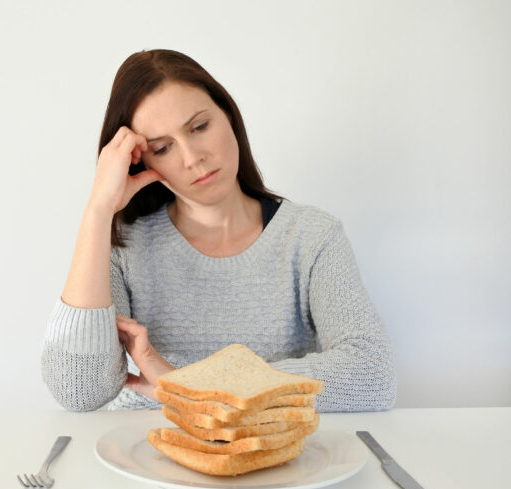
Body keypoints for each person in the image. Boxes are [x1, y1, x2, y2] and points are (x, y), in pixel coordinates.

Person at [40, 49, 396, 413]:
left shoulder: (311, 236)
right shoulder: (125, 247)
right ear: (141, 162)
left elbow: (372, 375)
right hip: (147, 454)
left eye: (199, 127)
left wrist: (189, 389)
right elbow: (79, 391)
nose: (192, 157)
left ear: (228, 115)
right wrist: (99, 210)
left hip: (271, 460)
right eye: (163, 148)